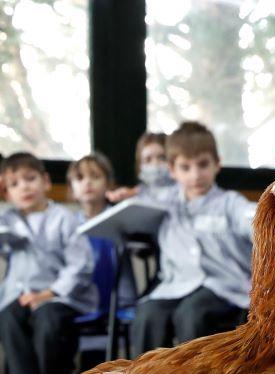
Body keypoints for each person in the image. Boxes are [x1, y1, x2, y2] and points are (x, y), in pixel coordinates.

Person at [0, 151, 96, 374]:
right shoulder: (7, 220)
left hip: (60, 296)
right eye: (13, 184)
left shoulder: (63, 218)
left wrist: (48, 293)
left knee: (47, 319)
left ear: (45, 181)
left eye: (30, 179)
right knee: (5, 315)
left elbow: (80, 265)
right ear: (6, 194)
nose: (24, 187)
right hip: (22, 295)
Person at [110, 121, 256, 352]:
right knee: (147, 315)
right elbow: (136, 208)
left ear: (217, 164)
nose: (195, 175)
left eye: (203, 165)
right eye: (185, 167)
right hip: (175, 285)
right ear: (172, 170)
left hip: (222, 287)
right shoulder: (164, 202)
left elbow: (252, 219)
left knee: (191, 314)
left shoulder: (230, 203)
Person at [67, 152, 114, 224]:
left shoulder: (119, 218)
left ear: (108, 184)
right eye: (80, 178)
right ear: (71, 189)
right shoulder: (69, 223)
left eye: (95, 176)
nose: (87, 182)